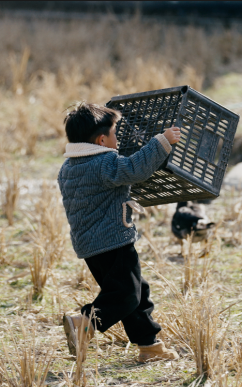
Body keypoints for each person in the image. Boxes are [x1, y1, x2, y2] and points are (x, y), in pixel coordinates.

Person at [57, 102, 181, 362]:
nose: (119, 140)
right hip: (113, 241)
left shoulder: (68, 168)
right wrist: (162, 141)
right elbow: (135, 168)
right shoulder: (104, 163)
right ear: (102, 140)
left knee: (136, 294)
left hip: (89, 246)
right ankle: (85, 323)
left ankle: (149, 346)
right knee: (126, 296)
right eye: (115, 134)